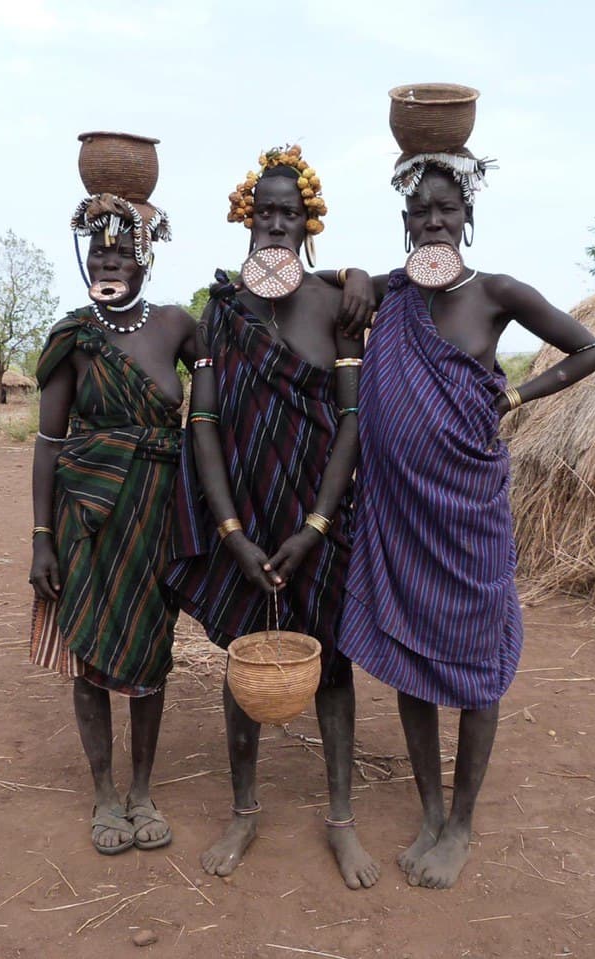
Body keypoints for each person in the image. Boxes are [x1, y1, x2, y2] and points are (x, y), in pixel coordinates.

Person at [336, 135, 595, 890]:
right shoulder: (392, 295)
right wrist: (353, 272)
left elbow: (590, 351)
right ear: (405, 223)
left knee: (479, 661)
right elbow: (323, 285)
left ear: (468, 217)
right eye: (420, 212)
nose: (433, 222)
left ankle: (461, 824)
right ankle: (429, 810)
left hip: (470, 511)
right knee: (411, 653)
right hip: (398, 511)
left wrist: (514, 396)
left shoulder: (498, 293)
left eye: (446, 210)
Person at [166, 144, 380, 889]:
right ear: (246, 220)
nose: (277, 225)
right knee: (243, 654)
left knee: (334, 665)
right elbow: (203, 424)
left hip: (322, 515)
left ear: (309, 222)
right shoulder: (222, 310)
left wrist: (316, 525)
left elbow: (352, 421)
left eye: (290, 213)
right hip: (245, 515)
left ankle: (342, 819)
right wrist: (231, 534)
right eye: (266, 213)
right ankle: (244, 810)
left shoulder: (336, 304)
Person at [28, 135, 197, 857]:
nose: (109, 265)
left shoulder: (176, 325)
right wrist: (41, 538)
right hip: (88, 517)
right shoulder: (73, 337)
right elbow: (49, 442)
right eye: (99, 256)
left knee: (151, 651)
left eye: (122, 254)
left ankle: (143, 790)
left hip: (155, 514)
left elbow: (228, 384)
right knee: (91, 651)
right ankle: (104, 793)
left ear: (145, 259)